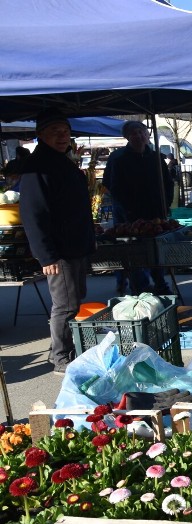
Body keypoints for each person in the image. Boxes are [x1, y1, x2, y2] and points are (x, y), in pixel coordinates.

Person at [19, 108, 96, 376]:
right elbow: (32, 214)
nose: (62, 136)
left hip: (75, 245)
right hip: (59, 251)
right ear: (40, 135)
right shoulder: (37, 166)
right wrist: (46, 255)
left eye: (65, 131)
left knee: (75, 300)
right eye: (55, 132)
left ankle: (67, 351)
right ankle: (60, 357)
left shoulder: (61, 160)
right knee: (64, 304)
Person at [102, 120, 174, 295]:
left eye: (142, 132)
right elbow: (113, 187)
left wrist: (166, 205)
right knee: (133, 253)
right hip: (129, 214)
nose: (139, 136)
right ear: (127, 137)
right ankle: (140, 287)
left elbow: (167, 184)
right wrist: (128, 210)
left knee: (155, 251)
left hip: (155, 212)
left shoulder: (156, 158)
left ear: (147, 134)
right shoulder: (119, 159)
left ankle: (160, 284)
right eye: (134, 133)